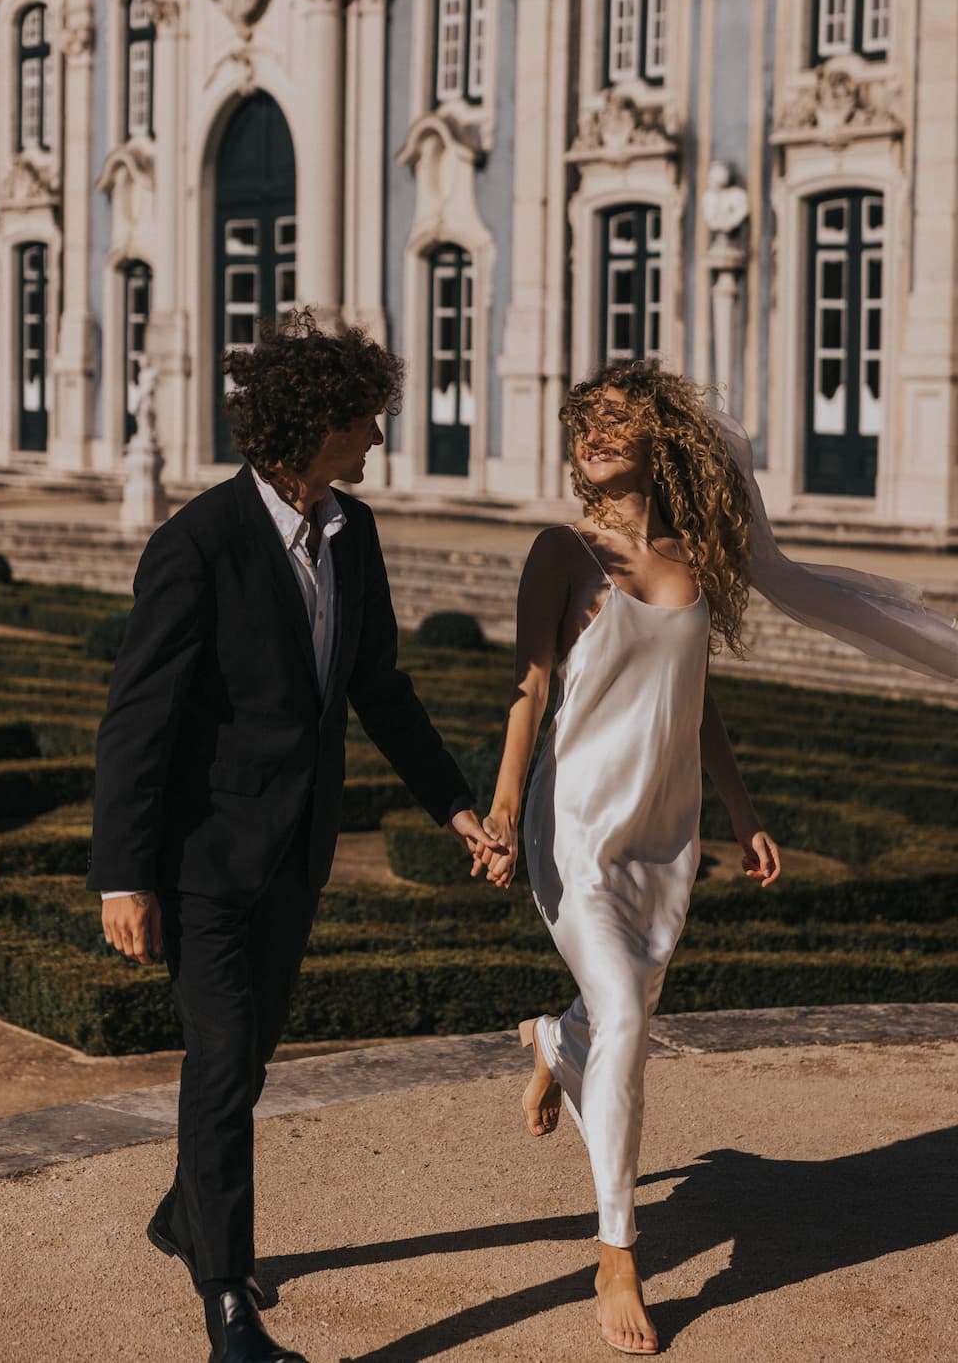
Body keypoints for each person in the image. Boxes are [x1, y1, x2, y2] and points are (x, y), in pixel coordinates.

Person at [472, 359, 958, 1357]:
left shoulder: (695, 556)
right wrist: (504, 801)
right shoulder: (561, 554)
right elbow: (526, 688)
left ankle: (552, 1045)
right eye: (584, 421)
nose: (595, 435)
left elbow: (694, 697)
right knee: (628, 1011)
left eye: (616, 420)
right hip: (573, 822)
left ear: (662, 439)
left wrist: (741, 809)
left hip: (664, 826)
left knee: (619, 1009)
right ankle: (617, 1254)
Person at [87, 310, 497, 1363]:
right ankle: (229, 1309)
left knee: (248, 1059)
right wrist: (124, 877)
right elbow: (138, 720)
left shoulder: (353, 535)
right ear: (312, 421)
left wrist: (457, 808)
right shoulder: (197, 544)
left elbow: (381, 692)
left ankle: (188, 1214)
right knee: (222, 1065)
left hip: (296, 855)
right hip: (204, 862)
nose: (375, 437)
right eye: (364, 418)